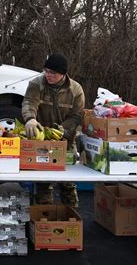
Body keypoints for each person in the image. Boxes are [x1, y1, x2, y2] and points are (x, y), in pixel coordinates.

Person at [22, 53, 85, 208]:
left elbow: (77, 116)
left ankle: (71, 215)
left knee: (68, 183)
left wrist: (63, 130)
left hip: (65, 140)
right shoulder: (37, 84)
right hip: (41, 140)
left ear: (63, 74)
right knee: (43, 183)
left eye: (53, 73)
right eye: (46, 71)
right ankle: (44, 217)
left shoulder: (75, 90)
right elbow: (29, 102)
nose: (48, 75)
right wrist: (30, 118)